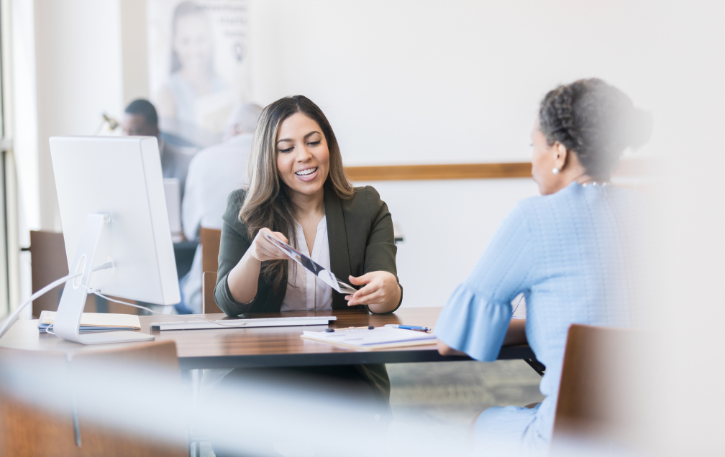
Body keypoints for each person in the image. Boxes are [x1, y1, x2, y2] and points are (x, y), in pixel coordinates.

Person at [435, 78, 652, 456]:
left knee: (480, 422)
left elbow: (450, 340)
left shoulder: (534, 218)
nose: (532, 160)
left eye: (533, 145)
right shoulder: (655, 212)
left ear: (558, 152)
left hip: (569, 438)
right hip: (660, 431)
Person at [210, 95, 402, 454]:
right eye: (287, 148)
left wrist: (386, 289)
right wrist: (253, 256)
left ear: (328, 144)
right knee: (228, 413)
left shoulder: (366, 207)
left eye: (314, 142)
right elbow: (229, 303)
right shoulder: (244, 209)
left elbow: (386, 295)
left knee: (351, 421)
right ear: (270, 158)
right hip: (266, 365)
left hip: (345, 366)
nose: (304, 156)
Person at [177, 103, 263, 314]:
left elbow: (189, 230)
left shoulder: (203, 159)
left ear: (234, 129)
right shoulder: (274, 159)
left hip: (205, 292)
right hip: (264, 295)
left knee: (177, 288)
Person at [155, 1, 232, 147]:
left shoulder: (225, 87)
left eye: (201, 39)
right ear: (174, 43)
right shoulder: (167, 93)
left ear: (211, 40)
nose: (195, 50)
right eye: (186, 41)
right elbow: (170, 149)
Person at [121, 99, 193, 201]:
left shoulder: (184, 166)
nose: (127, 138)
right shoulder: (121, 164)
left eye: (134, 131)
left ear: (155, 130)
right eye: (124, 131)